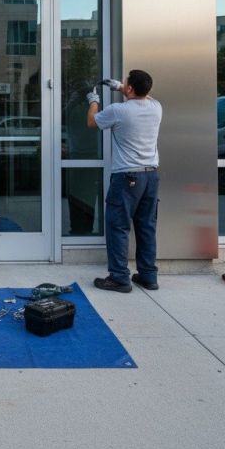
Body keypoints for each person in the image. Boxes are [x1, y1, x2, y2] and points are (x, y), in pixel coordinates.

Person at [87, 70, 162, 292]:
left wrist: (93, 101)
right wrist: (121, 87)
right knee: (146, 226)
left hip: (127, 176)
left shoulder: (118, 111)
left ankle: (119, 278)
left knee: (118, 226)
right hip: (151, 175)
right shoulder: (156, 108)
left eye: (127, 83)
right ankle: (148, 276)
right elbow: (144, 96)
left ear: (130, 89)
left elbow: (92, 122)